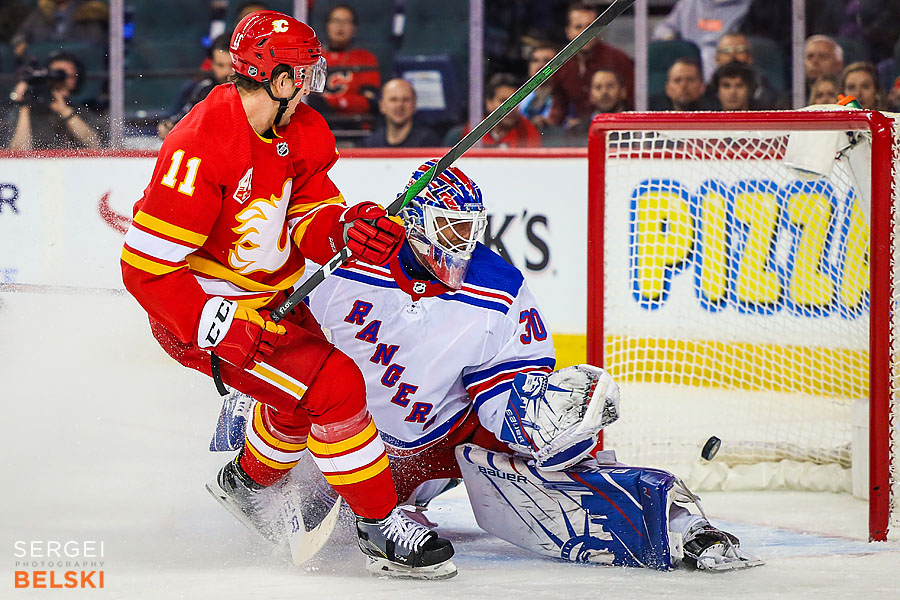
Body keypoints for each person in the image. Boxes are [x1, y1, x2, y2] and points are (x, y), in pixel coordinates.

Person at [212, 161, 764, 572]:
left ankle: (671, 525)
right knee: (286, 402)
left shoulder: (497, 287)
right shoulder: (341, 265)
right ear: (418, 225)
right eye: (452, 231)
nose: (464, 245)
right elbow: (273, 340)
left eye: (471, 231)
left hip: (432, 446)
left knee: (562, 455)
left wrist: (539, 417)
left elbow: (506, 381)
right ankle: (250, 475)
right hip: (337, 441)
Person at [119, 10, 455, 580]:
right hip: (200, 316)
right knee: (335, 386)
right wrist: (219, 324)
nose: (309, 86)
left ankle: (246, 484)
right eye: (303, 73)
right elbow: (145, 272)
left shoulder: (301, 129)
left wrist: (348, 229)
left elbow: (310, 214)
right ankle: (380, 523)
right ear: (276, 77)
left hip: (270, 298)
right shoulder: (199, 146)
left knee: (298, 398)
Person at [543, 2, 634, 129]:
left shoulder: (619, 59)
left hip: (617, 129)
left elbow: (633, 105)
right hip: (579, 134)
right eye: (578, 27)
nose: (585, 33)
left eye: (590, 27)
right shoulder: (560, 64)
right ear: (568, 32)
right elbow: (559, 109)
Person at [7, 50, 102, 150]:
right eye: (55, 74)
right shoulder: (31, 112)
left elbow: (95, 145)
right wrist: (24, 106)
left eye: (67, 75)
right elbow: (17, 152)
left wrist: (64, 110)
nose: (60, 80)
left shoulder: (80, 112)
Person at [158, 34, 234, 140]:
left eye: (232, 65)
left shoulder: (256, 91)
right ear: (211, 64)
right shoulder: (201, 89)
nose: (227, 72)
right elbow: (178, 119)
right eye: (220, 65)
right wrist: (168, 126)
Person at [652, 0, 752, 80]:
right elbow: (663, 29)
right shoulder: (688, 3)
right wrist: (670, 37)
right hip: (687, 62)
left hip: (722, 66)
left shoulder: (748, 6)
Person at [314, 4, 380, 118]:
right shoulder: (313, 56)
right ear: (327, 26)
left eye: (346, 22)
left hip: (356, 124)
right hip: (317, 122)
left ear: (354, 29)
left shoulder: (366, 58)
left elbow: (370, 102)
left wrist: (331, 103)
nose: (340, 26)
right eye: (335, 21)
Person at [444, 73, 542, 148]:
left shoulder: (528, 132)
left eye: (516, 101)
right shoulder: (474, 129)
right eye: (504, 101)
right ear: (489, 103)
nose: (511, 107)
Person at [10, 0, 108, 60]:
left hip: (77, 69)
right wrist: (20, 43)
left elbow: (94, 48)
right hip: (45, 65)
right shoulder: (40, 13)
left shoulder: (89, 12)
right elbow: (20, 35)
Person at [363, 78, 439, 148]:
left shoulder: (428, 142)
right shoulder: (371, 143)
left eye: (406, 100)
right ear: (382, 106)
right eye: (393, 100)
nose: (399, 105)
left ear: (414, 105)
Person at [711, 32, 779, 109]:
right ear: (717, 58)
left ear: (750, 57)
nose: (733, 56)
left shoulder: (772, 97)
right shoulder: (704, 99)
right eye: (726, 51)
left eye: (740, 50)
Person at [519, 41, 558, 124]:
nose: (540, 65)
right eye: (535, 60)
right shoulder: (520, 97)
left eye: (547, 61)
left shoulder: (565, 98)